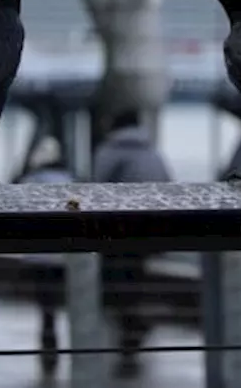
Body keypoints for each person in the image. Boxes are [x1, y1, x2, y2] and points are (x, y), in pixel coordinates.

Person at [91, 109, 173, 378]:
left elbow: (96, 189)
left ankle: (129, 329)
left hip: (116, 235)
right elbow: (169, 188)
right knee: (134, 281)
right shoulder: (153, 153)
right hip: (147, 235)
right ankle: (133, 330)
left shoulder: (109, 151)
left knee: (114, 286)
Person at [15, 136, 76, 378]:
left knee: (45, 306)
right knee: (56, 302)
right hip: (61, 256)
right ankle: (54, 345)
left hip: (38, 256)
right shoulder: (68, 181)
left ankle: (48, 346)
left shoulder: (29, 180)